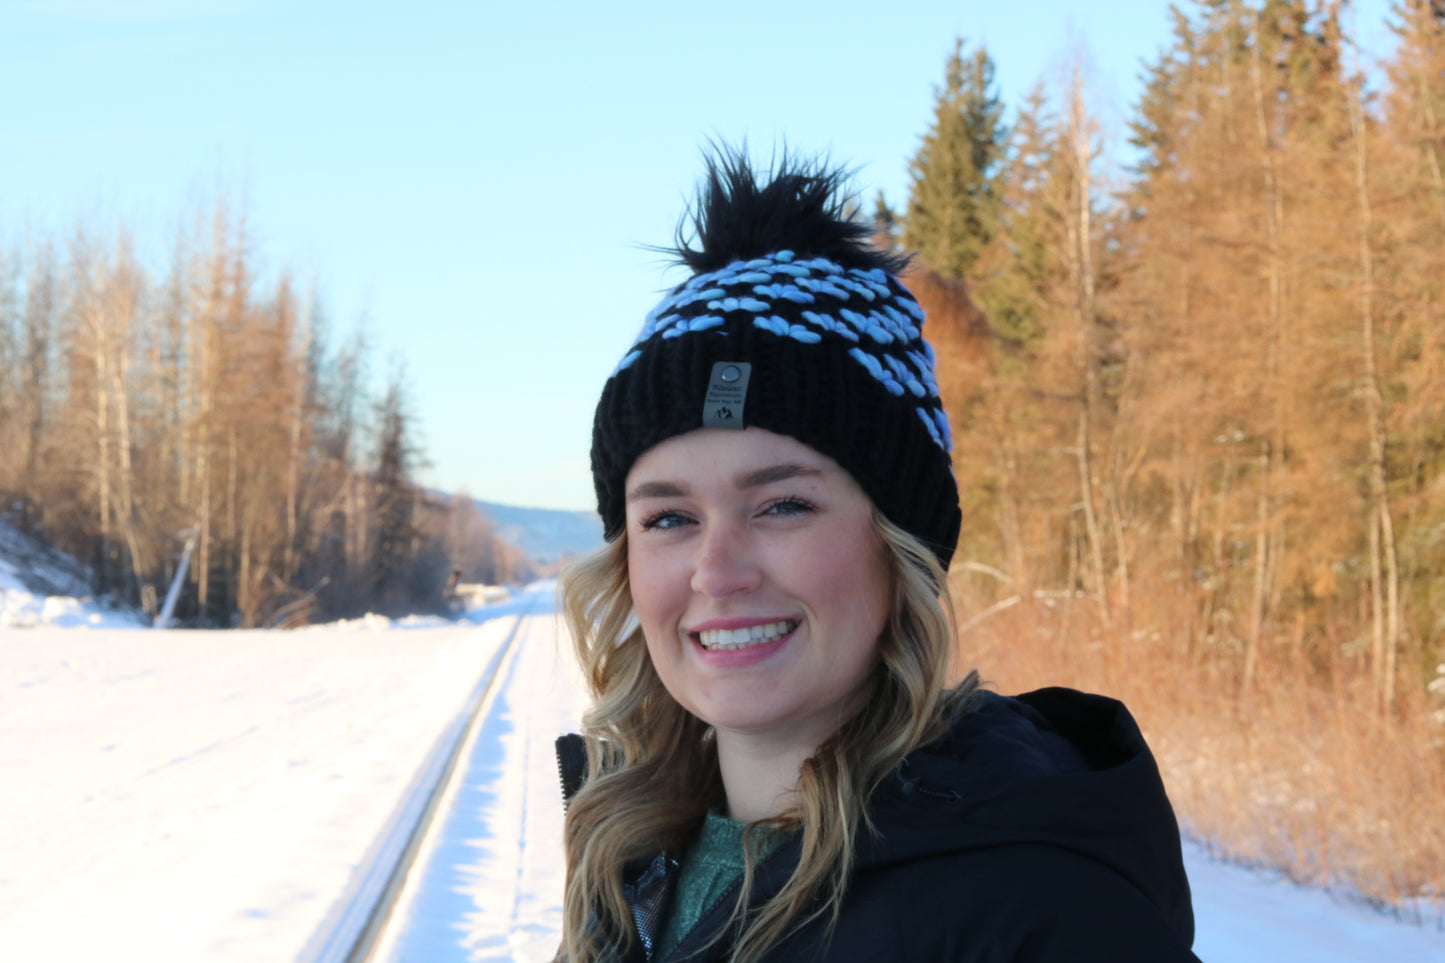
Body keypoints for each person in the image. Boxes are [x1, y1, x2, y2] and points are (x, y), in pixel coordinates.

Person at [555, 148, 1201, 963]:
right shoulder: (630, 854)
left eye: (782, 504)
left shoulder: (1037, 909)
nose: (716, 571)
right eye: (669, 518)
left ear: (900, 545)